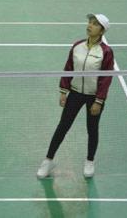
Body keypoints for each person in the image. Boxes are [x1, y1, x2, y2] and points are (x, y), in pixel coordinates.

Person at [36, 14, 114, 179]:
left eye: (95, 24)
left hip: (94, 97)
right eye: (90, 22)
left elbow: (106, 79)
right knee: (63, 126)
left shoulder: (106, 52)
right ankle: (48, 161)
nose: (90, 25)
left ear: (102, 30)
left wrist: (99, 101)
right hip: (75, 93)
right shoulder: (77, 46)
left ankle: (90, 161)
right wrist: (63, 91)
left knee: (92, 129)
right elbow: (69, 68)